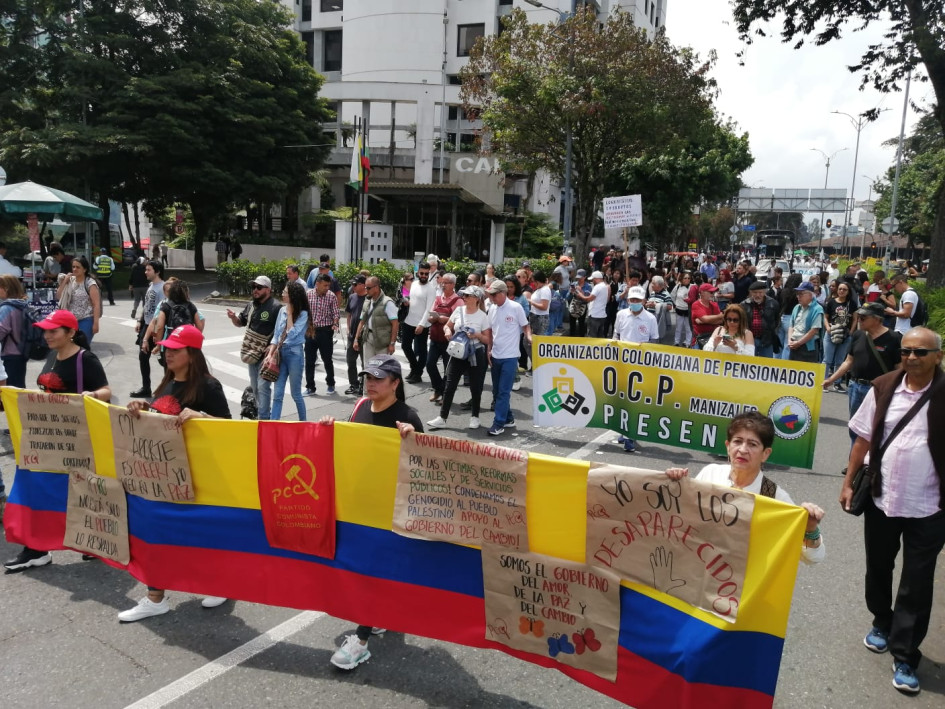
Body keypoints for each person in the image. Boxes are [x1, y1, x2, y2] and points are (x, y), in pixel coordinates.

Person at [841, 327, 944, 695]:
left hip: (930, 506)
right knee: (879, 567)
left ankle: (905, 653)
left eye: (921, 352)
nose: (912, 358)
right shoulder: (884, 386)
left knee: (917, 583)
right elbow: (863, 439)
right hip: (883, 499)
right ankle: (881, 623)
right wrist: (849, 481)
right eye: (906, 352)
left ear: (938, 356)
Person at [118, 324, 231, 620]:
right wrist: (142, 408)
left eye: (175, 349)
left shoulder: (209, 386)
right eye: (167, 348)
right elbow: (160, 418)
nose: (167, 353)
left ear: (192, 354)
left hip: (196, 478)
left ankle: (219, 582)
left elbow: (230, 431)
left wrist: (203, 416)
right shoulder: (166, 383)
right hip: (162, 478)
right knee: (158, 534)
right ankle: (155, 597)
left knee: (200, 535)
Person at [319, 354, 422, 670]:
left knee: (372, 571)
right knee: (361, 570)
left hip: (389, 511)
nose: (371, 383)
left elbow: (426, 466)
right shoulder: (361, 407)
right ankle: (378, 614)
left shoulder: (407, 417)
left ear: (395, 383)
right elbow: (350, 446)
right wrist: (330, 430)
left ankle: (361, 642)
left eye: (379, 378)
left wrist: (414, 440)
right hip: (358, 507)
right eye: (368, 377)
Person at [4, 310, 111, 572]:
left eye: (53, 331)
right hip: (45, 440)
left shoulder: (86, 358)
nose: (47, 335)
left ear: (70, 333)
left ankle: (95, 541)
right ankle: (36, 549)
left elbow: (107, 391)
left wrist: (91, 395)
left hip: (76, 442)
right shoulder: (52, 356)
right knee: (36, 490)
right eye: (45, 330)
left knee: (81, 492)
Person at [666, 411, 825, 562]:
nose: (742, 450)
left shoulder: (775, 497)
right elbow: (682, 519)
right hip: (697, 570)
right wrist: (675, 486)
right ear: (728, 446)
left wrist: (810, 530)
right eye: (737, 441)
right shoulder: (710, 474)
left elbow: (813, 558)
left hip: (739, 584)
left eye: (752, 444)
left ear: (766, 454)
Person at [823, 302, 902, 443]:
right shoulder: (858, 335)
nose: (859, 320)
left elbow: (899, 368)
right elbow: (848, 361)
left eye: (864, 317)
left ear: (877, 319)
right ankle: (854, 463)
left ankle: (869, 462)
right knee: (855, 428)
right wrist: (831, 379)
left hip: (878, 391)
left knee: (874, 429)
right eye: (859, 316)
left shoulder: (894, 338)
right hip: (855, 388)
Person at [427, 285, 491, 431]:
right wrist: (448, 330)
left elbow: (487, 340)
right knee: (449, 386)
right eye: (465, 295)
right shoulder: (458, 310)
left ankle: (475, 417)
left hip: (476, 353)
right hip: (458, 353)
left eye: (468, 295)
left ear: (476, 298)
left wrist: (477, 335)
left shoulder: (482, 316)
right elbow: (447, 326)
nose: (465, 297)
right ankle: (442, 418)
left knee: (476, 387)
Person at [227, 275, 282, 421]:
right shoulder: (251, 305)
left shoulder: (276, 307)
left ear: (268, 290)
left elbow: (283, 331)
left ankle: (264, 418)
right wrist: (233, 318)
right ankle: (260, 413)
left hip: (267, 355)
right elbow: (241, 322)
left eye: (259, 287)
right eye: (253, 287)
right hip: (251, 353)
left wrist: (272, 347)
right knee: (255, 386)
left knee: (263, 387)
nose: (255, 290)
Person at [612, 286, 659, 453]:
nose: (635, 303)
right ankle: (623, 430)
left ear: (644, 301)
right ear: (628, 301)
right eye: (632, 300)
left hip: (640, 367)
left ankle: (630, 435)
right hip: (622, 364)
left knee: (634, 401)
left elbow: (654, 341)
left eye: (638, 300)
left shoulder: (650, 319)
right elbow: (616, 335)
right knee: (621, 399)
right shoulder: (621, 315)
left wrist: (644, 349)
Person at [485, 280, 530, 436]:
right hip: (496, 354)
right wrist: (489, 350)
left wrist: (529, 336)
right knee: (497, 392)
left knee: (503, 392)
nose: (491, 298)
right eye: (490, 295)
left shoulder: (516, 307)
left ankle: (498, 423)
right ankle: (509, 418)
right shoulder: (491, 309)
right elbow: (490, 330)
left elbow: (525, 325)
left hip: (510, 357)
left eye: (494, 295)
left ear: (503, 293)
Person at [269, 281, 310, 421]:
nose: (282, 294)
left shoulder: (303, 314)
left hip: (294, 354)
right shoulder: (281, 310)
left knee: (296, 394)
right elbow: (276, 335)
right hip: (280, 353)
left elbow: (292, 334)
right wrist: (270, 355)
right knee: (278, 394)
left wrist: (291, 314)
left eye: (285, 292)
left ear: (292, 295)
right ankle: (273, 423)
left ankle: (303, 422)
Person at [425, 273, 462, 405]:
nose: (443, 284)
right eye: (442, 282)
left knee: (448, 369)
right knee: (429, 364)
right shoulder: (438, 298)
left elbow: (458, 320)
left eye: (446, 282)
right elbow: (430, 314)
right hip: (435, 338)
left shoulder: (458, 300)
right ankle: (438, 389)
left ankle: (445, 395)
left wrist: (443, 319)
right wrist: (432, 318)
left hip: (449, 340)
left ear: (453, 284)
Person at [131, 261, 165, 398]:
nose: (146, 272)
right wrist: (140, 320)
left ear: (157, 272)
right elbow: (147, 306)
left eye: (148, 270)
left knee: (164, 359)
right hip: (146, 325)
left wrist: (156, 333)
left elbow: (161, 312)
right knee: (143, 357)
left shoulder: (162, 288)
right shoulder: (151, 286)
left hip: (154, 328)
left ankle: (169, 388)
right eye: (146, 269)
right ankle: (146, 388)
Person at [401, 262, 436, 383]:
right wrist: (407, 302)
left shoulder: (431, 288)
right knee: (405, 346)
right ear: (418, 272)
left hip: (422, 324)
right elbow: (413, 299)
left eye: (426, 274)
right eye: (422, 273)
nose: (424, 275)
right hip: (408, 321)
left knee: (421, 350)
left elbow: (428, 308)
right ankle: (415, 368)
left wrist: (421, 324)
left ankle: (418, 373)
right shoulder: (414, 284)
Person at [305, 273, 340, 396]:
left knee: (327, 359)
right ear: (317, 284)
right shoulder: (308, 295)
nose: (327, 288)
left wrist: (335, 323)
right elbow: (304, 312)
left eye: (328, 286)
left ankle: (330, 383)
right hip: (310, 331)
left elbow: (336, 313)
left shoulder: (331, 297)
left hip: (325, 331)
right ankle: (310, 386)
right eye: (325, 285)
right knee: (309, 360)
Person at [56, 256, 101, 345]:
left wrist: (96, 323)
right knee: (70, 348)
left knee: (81, 347)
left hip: (86, 320)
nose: (75, 269)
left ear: (84, 269)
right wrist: (65, 281)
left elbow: (96, 304)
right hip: (70, 321)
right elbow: (59, 296)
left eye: (78, 267)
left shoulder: (90, 284)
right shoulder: (70, 281)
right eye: (73, 267)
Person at [823, 281, 858, 390]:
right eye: (840, 289)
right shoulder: (831, 302)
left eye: (844, 289)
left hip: (845, 335)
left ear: (848, 292)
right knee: (827, 360)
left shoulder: (852, 304)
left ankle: (837, 383)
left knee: (840, 360)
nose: (841, 291)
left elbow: (855, 319)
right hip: (831, 333)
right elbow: (825, 317)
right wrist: (828, 328)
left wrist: (851, 331)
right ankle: (823, 381)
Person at [354, 277, 399, 361]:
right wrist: (356, 339)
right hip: (368, 338)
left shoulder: (388, 303)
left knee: (381, 369)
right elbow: (362, 321)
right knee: (368, 368)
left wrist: (392, 343)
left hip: (382, 341)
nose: (366, 290)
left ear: (376, 287)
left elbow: (395, 324)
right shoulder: (367, 301)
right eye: (365, 287)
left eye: (368, 288)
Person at [0, 274, 29, 388]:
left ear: (6, 288)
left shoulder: (6, 308)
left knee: (10, 391)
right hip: (22, 352)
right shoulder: (23, 304)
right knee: (18, 387)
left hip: (9, 354)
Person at [740, 281, 780, 358]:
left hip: (767, 340)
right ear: (751, 293)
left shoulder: (773, 304)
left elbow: (776, 320)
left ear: (765, 292)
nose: (758, 295)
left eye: (760, 292)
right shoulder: (744, 304)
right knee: (749, 362)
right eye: (755, 292)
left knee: (766, 365)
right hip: (749, 340)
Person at [787, 281, 824, 363]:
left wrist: (799, 343)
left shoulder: (817, 309)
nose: (798, 297)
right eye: (797, 294)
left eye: (801, 294)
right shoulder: (797, 307)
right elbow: (791, 325)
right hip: (794, 345)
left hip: (807, 348)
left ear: (811, 295)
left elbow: (814, 330)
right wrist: (790, 340)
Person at [344, 276, 368, 395]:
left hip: (364, 337)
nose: (352, 287)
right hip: (352, 335)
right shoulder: (352, 297)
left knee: (365, 363)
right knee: (350, 361)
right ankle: (353, 384)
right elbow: (348, 315)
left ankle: (364, 386)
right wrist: (348, 329)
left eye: (355, 284)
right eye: (352, 284)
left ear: (363, 285)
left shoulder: (369, 299)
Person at [575, 271, 610, 338]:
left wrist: (580, 294)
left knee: (592, 336)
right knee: (600, 336)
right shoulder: (605, 286)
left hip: (595, 315)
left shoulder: (598, 287)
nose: (592, 281)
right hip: (602, 315)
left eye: (593, 280)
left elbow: (588, 299)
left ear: (596, 278)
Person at [690, 282, 722, 349]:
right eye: (710, 292)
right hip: (699, 339)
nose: (713, 294)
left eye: (713, 292)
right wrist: (720, 316)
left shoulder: (714, 304)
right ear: (702, 292)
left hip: (713, 338)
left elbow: (720, 321)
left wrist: (704, 321)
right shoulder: (696, 304)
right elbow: (705, 319)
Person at [527, 270, 551, 342]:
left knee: (538, 340)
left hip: (541, 318)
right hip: (534, 316)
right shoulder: (539, 289)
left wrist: (531, 302)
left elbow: (544, 306)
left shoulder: (545, 290)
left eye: (534, 281)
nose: (534, 284)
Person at [671, 272, 693, 348]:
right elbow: (672, 296)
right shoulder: (677, 287)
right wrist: (676, 304)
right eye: (685, 278)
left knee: (688, 327)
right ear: (681, 279)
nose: (687, 280)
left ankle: (688, 342)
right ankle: (676, 341)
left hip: (688, 310)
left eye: (688, 278)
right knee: (678, 327)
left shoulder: (693, 287)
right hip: (679, 309)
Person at [568, 269, 591, 337]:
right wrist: (570, 292)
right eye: (577, 278)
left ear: (584, 277)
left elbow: (588, 298)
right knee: (572, 325)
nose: (579, 279)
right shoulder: (573, 284)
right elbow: (567, 297)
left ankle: (581, 340)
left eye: (580, 278)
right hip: (573, 306)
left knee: (581, 324)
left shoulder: (588, 286)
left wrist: (581, 292)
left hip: (582, 307)